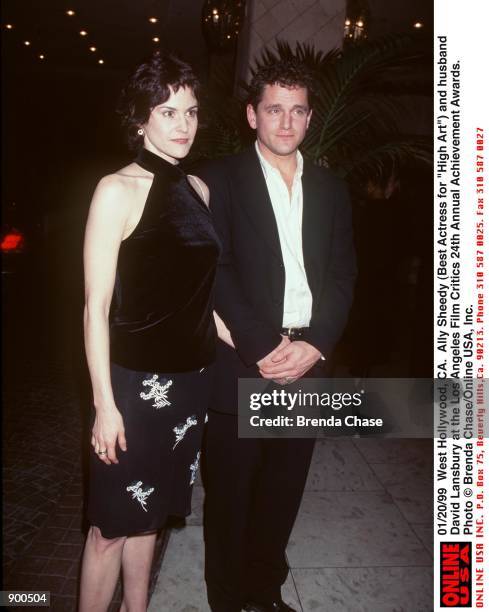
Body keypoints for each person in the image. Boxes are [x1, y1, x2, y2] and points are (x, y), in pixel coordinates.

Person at [196, 59, 357, 612]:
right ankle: (227, 600)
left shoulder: (333, 188)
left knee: (282, 492)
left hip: (309, 360)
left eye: (296, 111)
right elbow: (216, 269)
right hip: (246, 360)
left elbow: (342, 272)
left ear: (309, 117)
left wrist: (317, 343)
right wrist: (262, 346)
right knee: (232, 494)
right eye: (273, 110)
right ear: (252, 115)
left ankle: (263, 592)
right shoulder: (219, 179)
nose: (285, 122)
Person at [79, 52, 220, 611]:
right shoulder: (115, 189)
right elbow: (95, 307)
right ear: (141, 120)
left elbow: (202, 301)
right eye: (167, 111)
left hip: (190, 386)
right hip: (132, 390)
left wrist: (266, 352)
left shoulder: (201, 192)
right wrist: (104, 406)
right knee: (110, 528)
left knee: (150, 518)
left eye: (190, 111)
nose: (183, 124)